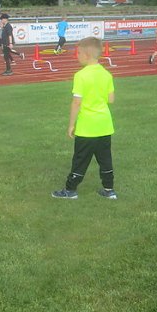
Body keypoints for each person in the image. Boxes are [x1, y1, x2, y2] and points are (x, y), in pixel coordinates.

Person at [52, 37, 116, 200]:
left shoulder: (81, 76)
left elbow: (76, 102)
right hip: (104, 125)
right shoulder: (107, 74)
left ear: (87, 54)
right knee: (105, 159)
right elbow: (111, 99)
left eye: (79, 52)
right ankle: (109, 190)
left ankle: (70, 190)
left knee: (80, 159)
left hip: (87, 127)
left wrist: (71, 125)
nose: (77, 56)